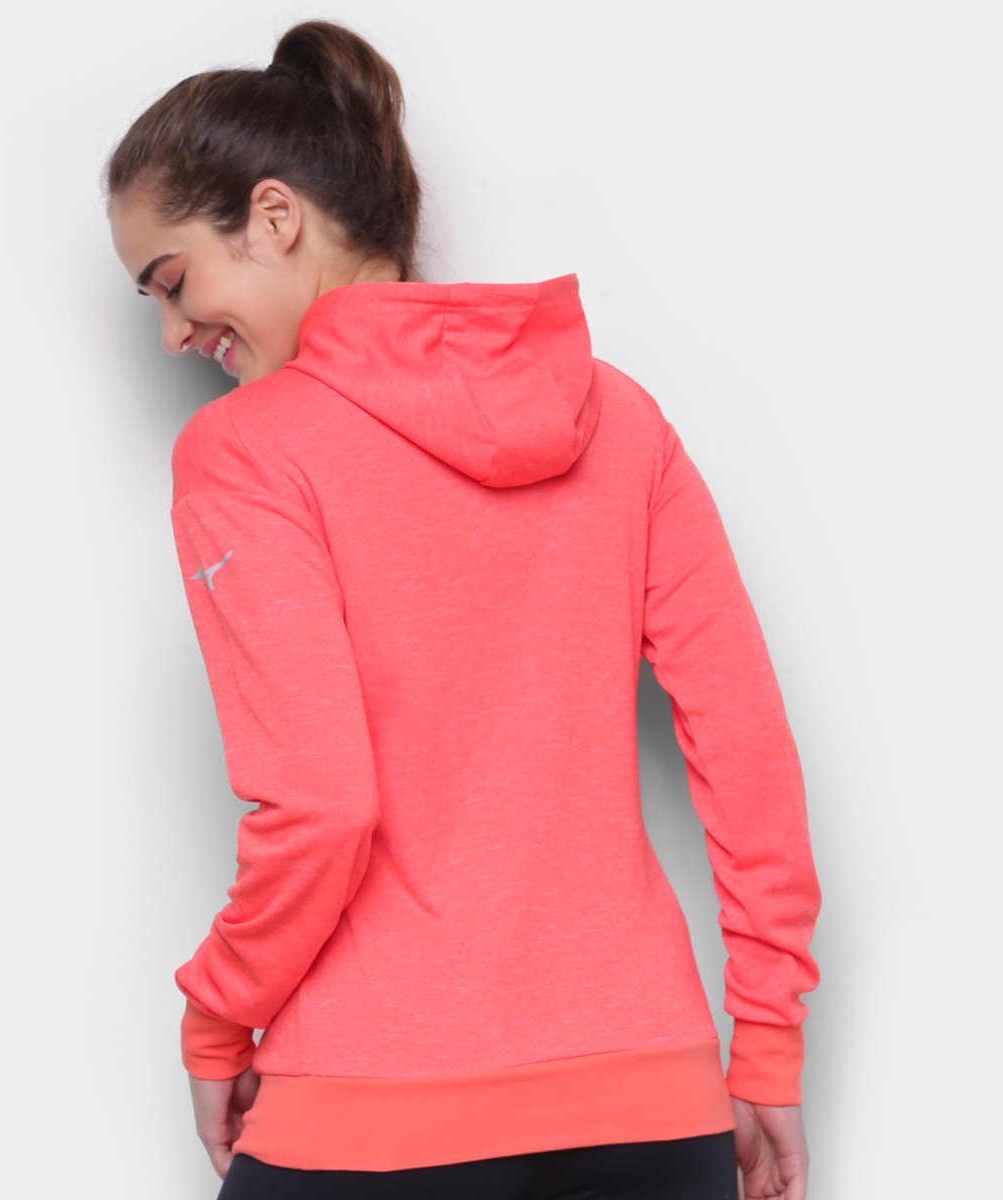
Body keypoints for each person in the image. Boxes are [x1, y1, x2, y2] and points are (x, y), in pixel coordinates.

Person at [103, 18, 822, 1200]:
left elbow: (323, 806)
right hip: (651, 1107)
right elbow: (746, 751)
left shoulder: (246, 452)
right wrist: (771, 1043)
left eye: (173, 282)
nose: (175, 333)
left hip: (373, 1114)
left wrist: (217, 1018)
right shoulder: (617, 416)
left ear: (275, 216)